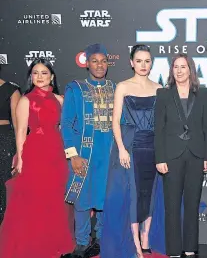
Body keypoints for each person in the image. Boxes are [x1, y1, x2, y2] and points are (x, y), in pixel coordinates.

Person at [0, 58, 74, 257]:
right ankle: (34, 242)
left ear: (52, 76)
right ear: (30, 77)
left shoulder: (61, 100)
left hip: (57, 151)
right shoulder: (26, 100)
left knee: (54, 197)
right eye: (35, 73)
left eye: (44, 73)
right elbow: (21, 131)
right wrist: (21, 159)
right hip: (35, 152)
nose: (40, 77)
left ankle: (52, 242)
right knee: (36, 198)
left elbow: (66, 128)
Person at [101, 44, 163, 258]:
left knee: (151, 192)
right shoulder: (123, 87)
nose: (143, 65)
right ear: (131, 63)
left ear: (151, 63)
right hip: (133, 147)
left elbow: (163, 122)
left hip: (154, 147)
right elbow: (115, 121)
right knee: (135, 194)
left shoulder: (159, 87)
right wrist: (121, 149)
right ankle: (135, 243)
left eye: (147, 61)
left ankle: (146, 238)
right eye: (139, 61)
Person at [154, 53, 207, 258]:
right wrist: (160, 158)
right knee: (171, 205)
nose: (179, 70)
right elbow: (158, 129)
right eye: (176, 67)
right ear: (172, 70)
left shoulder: (202, 93)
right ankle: (173, 250)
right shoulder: (163, 94)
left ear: (190, 70)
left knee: (192, 204)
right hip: (171, 156)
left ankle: (190, 247)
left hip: (196, 155)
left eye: (183, 66)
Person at [61, 44, 116, 258]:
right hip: (84, 153)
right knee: (83, 199)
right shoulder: (75, 88)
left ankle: (101, 239)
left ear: (108, 64)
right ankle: (82, 242)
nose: (99, 65)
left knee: (105, 197)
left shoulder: (115, 88)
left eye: (103, 61)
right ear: (87, 64)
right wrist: (72, 154)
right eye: (95, 61)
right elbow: (66, 123)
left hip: (109, 153)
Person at [0, 66, 20, 224]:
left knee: (3, 184)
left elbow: (18, 125)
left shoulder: (11, 90)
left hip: (4, 140)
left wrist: (19, 152)